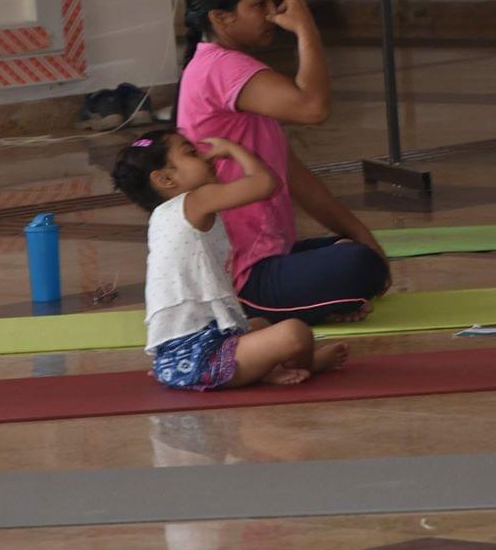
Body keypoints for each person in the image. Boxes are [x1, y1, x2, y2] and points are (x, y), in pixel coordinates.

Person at [176, 0, 391, 325]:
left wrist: (359, 234)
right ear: (221, 17)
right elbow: (313, 107)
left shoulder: (224, 66)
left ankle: (318, 297)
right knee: (356, 265)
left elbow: (297, 178)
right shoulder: (220, 68)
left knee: (352, 252)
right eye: (259, 4)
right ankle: (266, 309)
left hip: (270, 253)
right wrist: (306, 27)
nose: (273, 13)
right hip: (245, 276)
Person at [112, 131, 349, 389]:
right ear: (166, 179)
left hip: (179, 357)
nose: (204, 156)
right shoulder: (195, 200)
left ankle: (259, 369)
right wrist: (235, 150)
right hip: (201, 357)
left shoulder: (164, 216)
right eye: (191, 153)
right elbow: (264, 184)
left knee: (260, 323)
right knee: (296, 332)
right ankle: (305, 364)